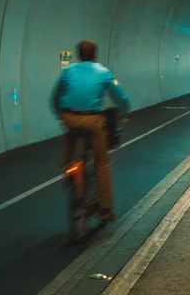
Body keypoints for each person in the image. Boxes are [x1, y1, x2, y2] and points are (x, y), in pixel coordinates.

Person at [50, 40, 130, 223]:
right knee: (101, 162)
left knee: (70, 144)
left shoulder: (68, 71)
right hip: (93, 120)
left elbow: (55, 97)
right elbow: (122, 99)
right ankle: (105, 209)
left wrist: (60, 116)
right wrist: (123, 116)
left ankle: (69, 170)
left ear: (78, 55)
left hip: (70, 118)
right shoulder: (103, 72)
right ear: (95, 55)